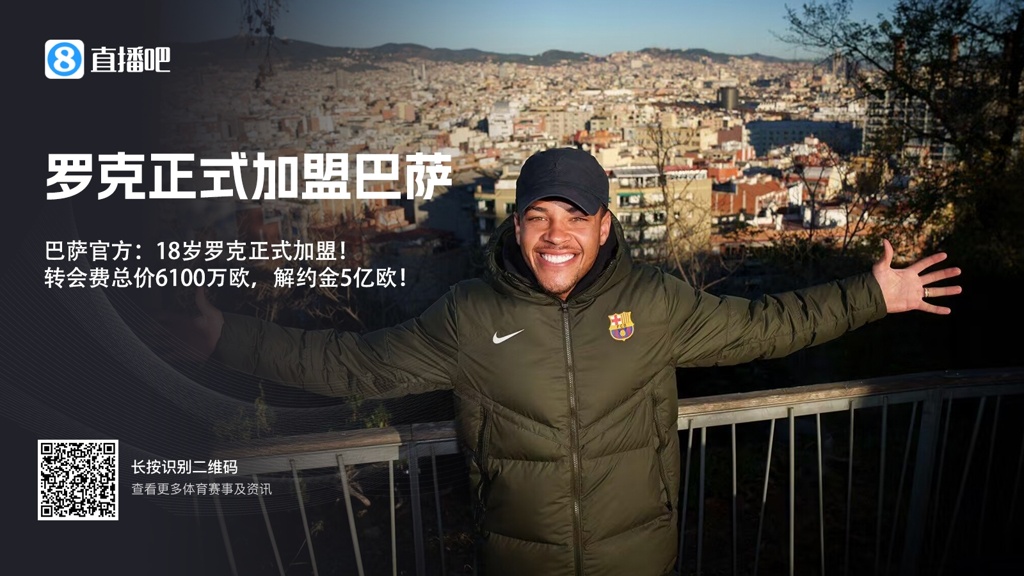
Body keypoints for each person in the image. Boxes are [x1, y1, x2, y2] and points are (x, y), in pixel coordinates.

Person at [183, 147, 961, 576]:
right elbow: (357, 367)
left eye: (575, 216)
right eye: (538, 217)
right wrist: (227, 338)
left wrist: (872, 294)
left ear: (605, 225)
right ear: (517, 227)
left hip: (639, 559)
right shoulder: (470, 315)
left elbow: (764, 326)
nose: (556, 236)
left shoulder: (654, 304)